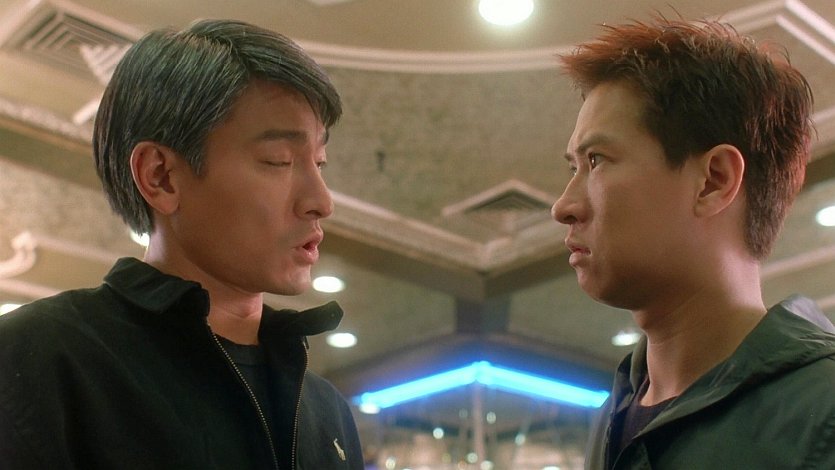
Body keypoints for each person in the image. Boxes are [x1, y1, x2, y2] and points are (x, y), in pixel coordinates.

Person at [0, 19, 364, 469]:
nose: (322, 202)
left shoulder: (326, 409)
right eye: (279, 160)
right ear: (161, 176)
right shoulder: (42, 359)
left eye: (320, 162)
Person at [551, 16, 835, 469]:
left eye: (597, 160)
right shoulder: (614, 414)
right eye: (574, 168)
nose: (563, 206)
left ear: (713, 181)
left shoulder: (819, 412)